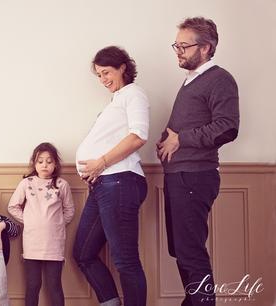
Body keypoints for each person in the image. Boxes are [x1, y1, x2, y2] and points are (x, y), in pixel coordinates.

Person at [156, 17, 239, 306]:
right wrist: (165, 141)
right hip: (179, 175)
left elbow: (227, 127)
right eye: (176, 45)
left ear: (205, 48)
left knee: (191, 252)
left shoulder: (220, 79)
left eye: (184, 45)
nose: (178, 50)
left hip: (195, 176)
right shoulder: (191, 81)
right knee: (181, 250)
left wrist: (180, 139)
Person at [73, 46, 150, 306]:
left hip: (120, 181)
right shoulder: (115, 101)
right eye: (99, 75)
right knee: (83, 253)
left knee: (125, 260)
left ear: (123, 68)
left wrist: (101, 163)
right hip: (104, 185)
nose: (103, 79)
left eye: (107, 72)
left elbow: (139, 135)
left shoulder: (134, 94)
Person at [8, 142, 75, 306]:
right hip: (32, 243)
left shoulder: (61, 185)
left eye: (49, 161)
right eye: (40, 161)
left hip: (54, 243)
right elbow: (12, 206)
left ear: (55, 164)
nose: (44, 165)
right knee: (33, 285)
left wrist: (57, 224)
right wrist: (30, 221)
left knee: (54, 286)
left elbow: (70, 210)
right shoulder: (26, 183)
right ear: (34, 163)